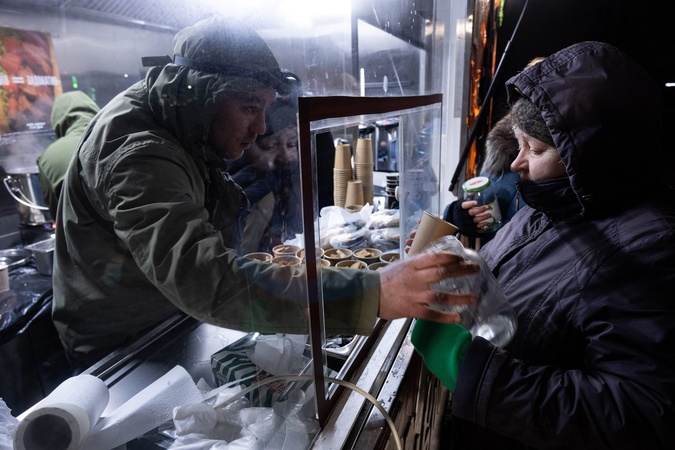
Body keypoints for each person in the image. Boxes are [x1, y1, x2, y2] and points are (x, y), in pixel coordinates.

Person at [52, 16, 479, 369]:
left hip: (171, 314)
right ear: (202, 94)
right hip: (119, 351)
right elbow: (203, 277)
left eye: (265, 108)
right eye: (250, 107)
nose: (260, 128)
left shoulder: (181, 120)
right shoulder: (139, 153)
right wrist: (370, 293)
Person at [412, 41, 675, 449]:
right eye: (518, 144)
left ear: (590, 157)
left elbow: (639, 415)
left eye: (534, 149)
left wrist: (475, 374)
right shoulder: (550, 202)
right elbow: (519, 281)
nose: (517, 163)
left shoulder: (652, 249)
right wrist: (456, 268)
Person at [444, 58, 544, 243]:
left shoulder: (566, 167)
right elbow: (488, 203)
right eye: (525, 94)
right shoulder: (503, 147)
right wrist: (459, 215)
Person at [228, 96, 302, 253]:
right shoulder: (251, 193)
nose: (286, 156)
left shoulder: (293, 185)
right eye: (270, 146)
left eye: (291, 145)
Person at [37, 91, 100, 218]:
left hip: (85, 229)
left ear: (57, 120)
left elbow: (58, 213)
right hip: (133, 226)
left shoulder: (48, 157)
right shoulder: (117, 134)